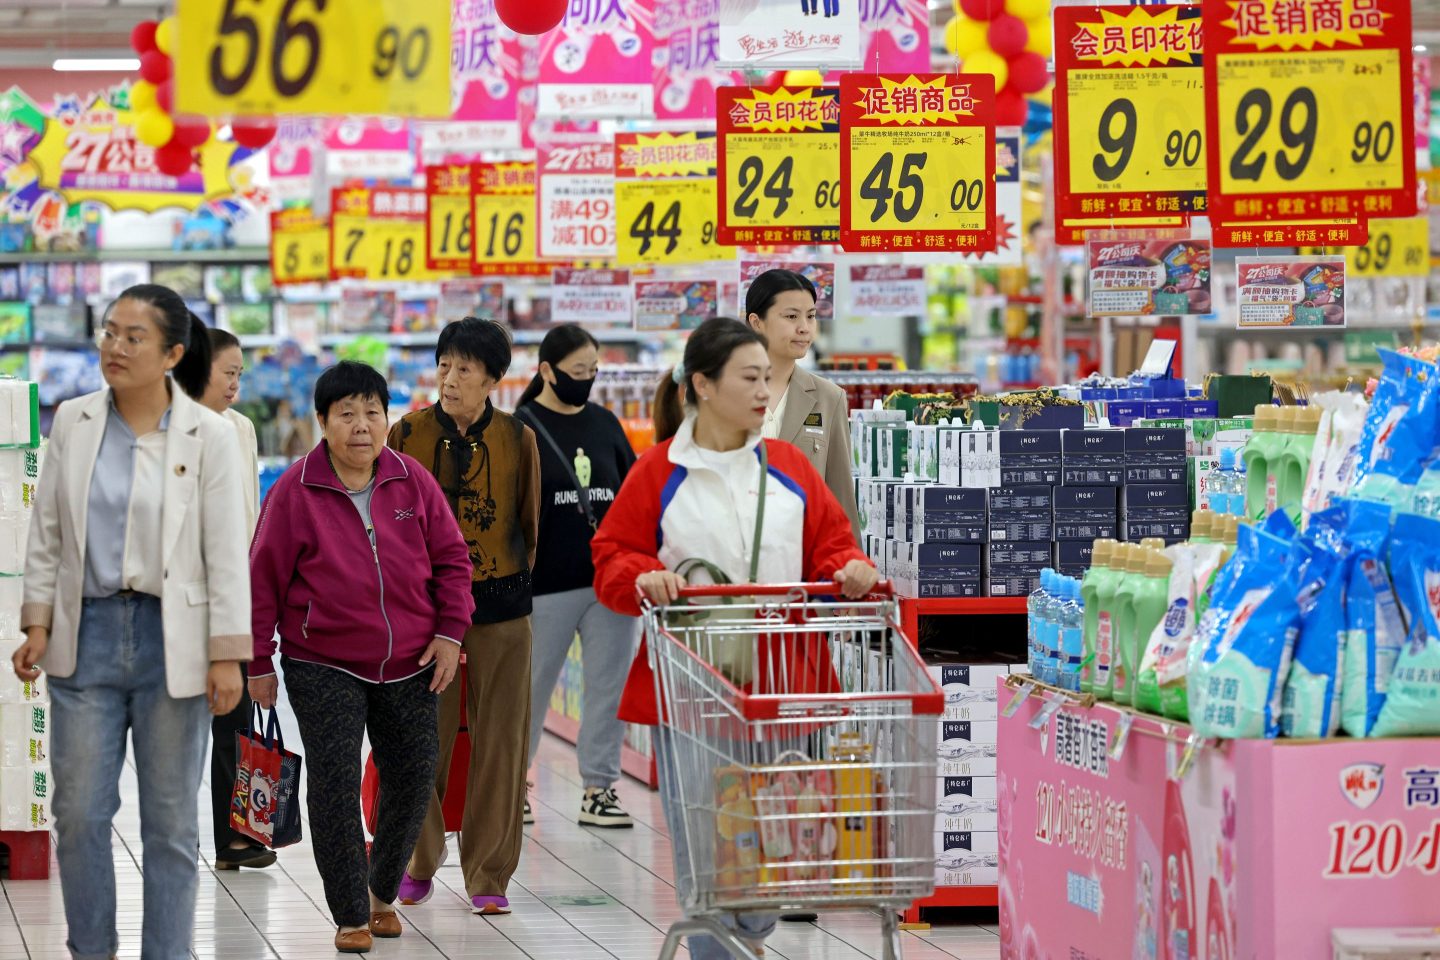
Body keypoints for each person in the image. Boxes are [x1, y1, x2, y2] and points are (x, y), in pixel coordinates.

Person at [590, 317, 878, 960]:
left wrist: (849, 568)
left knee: (774, 849)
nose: (764, 392)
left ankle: (745, 937)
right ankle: (720, 947)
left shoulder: (789, 466)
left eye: (767, 379)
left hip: (785, 689)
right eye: (750, 378)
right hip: (693, 691)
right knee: (709, 853)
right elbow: (611, 558)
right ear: (703, 384)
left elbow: (832, 542)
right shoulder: (658, 472)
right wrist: (644, 575)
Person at [11, 284, 251, 960]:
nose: (114, 347)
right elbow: (48, 531)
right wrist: (36, 622)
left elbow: (225, 551)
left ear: (172, 354)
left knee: (170, 824)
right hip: (83, 637)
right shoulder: (75, 421)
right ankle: (91, 950)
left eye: (134, 337)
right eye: (109, 332)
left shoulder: (209, 436)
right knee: (79, 815)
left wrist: (227, 653)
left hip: (172, 641)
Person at [247, 361, 475, 955]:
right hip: (322, 661)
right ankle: (351, 913)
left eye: (372, 412)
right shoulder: (295, 490)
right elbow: (261, 580)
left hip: (412, 659)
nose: (361, 426)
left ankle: (380, 892)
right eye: (346, 413)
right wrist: (257, 661)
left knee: (413, 776)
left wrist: (451, 633)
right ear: (322, 421)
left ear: (386, 418)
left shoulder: (410, 479)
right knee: (335, 783)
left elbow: (453, 559)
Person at [390, 318, 540, 915]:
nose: (450, 379)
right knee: (419, 735)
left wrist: (513, 587)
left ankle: (490, 873)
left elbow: (530, 526)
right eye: (444, 366)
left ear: (493, 379)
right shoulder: (406, 434)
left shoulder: (517, 438)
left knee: (501, 741)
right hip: (425, 614)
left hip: (503, 608)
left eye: (466, 369)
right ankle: (417, 858)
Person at [514, 325, 638, 828]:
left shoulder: (606, 423)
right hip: (544, 585)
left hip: (609, 583)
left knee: (609, 689)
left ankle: (599, 788)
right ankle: (512, 786)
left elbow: (632, 493)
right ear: (547, 371)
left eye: (593, 371)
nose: (586, 380)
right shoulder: (520, 428)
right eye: (577, 371)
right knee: (529, 691)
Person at [181, 327, 272, 872]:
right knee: (180, 731)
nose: (235, 383)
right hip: (184, 603)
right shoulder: (173, 429)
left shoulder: (241, 429)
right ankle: (177, 841)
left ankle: (236, 837)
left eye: (240, 373)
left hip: (236, 599)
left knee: (235, 723)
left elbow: (251, 514)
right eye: (227, 372)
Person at [745, 269, 860, 541]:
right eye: (791, 316)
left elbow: (840, 495)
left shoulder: (829, 398)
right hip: (732, 551)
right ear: (756, 322)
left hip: (802, 553)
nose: (804, 328)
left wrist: (850, 558)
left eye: (810, 316)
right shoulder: (720, 392)